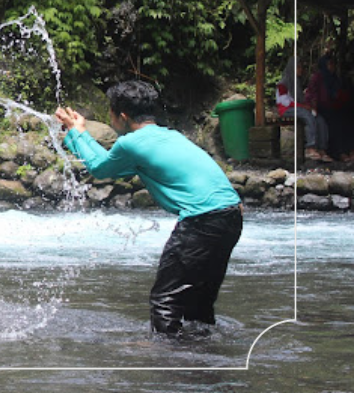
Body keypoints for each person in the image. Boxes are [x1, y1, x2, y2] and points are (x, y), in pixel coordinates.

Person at [54, 80, 243, 335]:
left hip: (202, 220)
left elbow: (99, 169)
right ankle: (202, 360)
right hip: (232, 215)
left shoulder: (131, 143)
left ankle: (166, 357)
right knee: (199, 300)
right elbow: (107, 164)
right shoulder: (169, 135)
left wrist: (76, 131)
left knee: (165, 299)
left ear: (122, 116)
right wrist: (77, 133)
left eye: (111, 114)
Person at [277, 55, 332, 162]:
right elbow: (285, 102)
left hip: (298, 108)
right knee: (307, 115)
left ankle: (321, 148)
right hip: (286, 110)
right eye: (298, 67)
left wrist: (309, 106)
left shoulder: (297, 83)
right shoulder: (283, 83)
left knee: (319, 119)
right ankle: (310, 147)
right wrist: (303, 107)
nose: (301, 70)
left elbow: (301, 100)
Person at [306, 54, 354, 162]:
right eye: (330, 64)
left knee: (349, 118)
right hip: (322, 108)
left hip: (335, 107)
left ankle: (350, 150)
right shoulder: (317, 78)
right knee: (335, 122)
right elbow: (312, 95)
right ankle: (339, 152)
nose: (332, 67)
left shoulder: (335, 78)